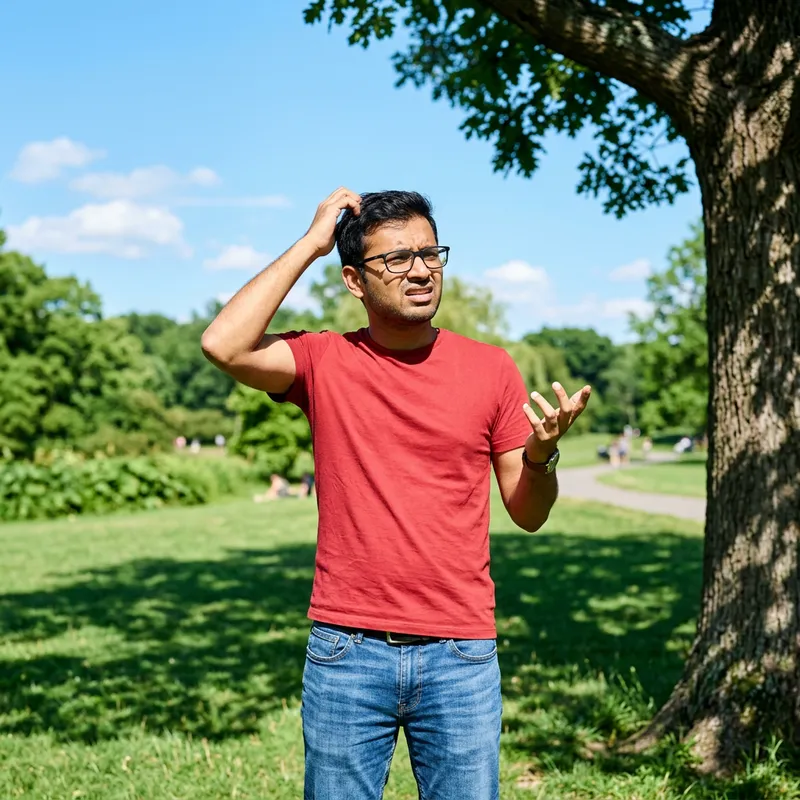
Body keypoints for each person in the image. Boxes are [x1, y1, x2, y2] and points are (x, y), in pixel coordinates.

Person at [201, 188, 591, 799]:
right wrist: (312, 244)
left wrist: (541, 455)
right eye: (396, 259)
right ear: (355, 281)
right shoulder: (323, 360)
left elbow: (529, 513)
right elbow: (224, 345)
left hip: (461, 654)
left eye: (430, 253)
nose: (420, 270)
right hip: (346, 651)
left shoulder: (491, 368)